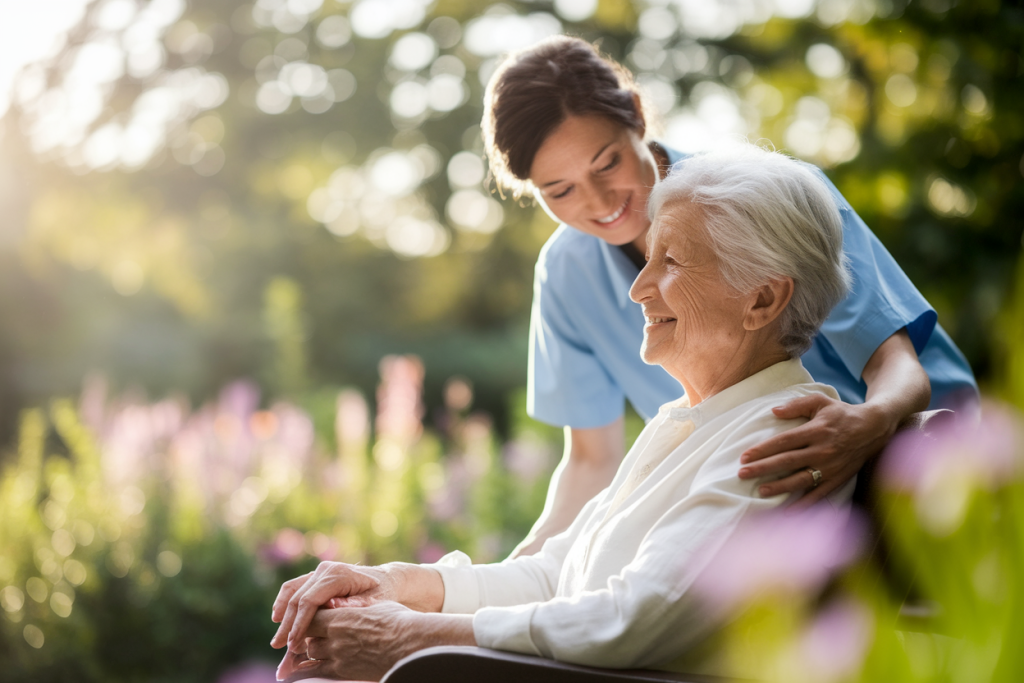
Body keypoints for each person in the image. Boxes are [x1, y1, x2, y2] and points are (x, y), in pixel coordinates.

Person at [269, 144, 859, 681]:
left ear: (761, 298)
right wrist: (396, 583)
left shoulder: (783, 431)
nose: (638, 288)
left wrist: (407, 638)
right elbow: (558, 575)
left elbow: (639, 614)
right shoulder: (692, 422)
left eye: (672, 263)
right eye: (648, 259)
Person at [481, 36, 979, 556]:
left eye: (606, 164)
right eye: (560, 191)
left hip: (921, 456)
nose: (599, 202)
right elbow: (590, 462)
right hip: (778, 501)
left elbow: (901, 371)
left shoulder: (772, 198)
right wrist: (513, 569)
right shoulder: (566, 273)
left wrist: (868, 426)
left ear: (634, 113)